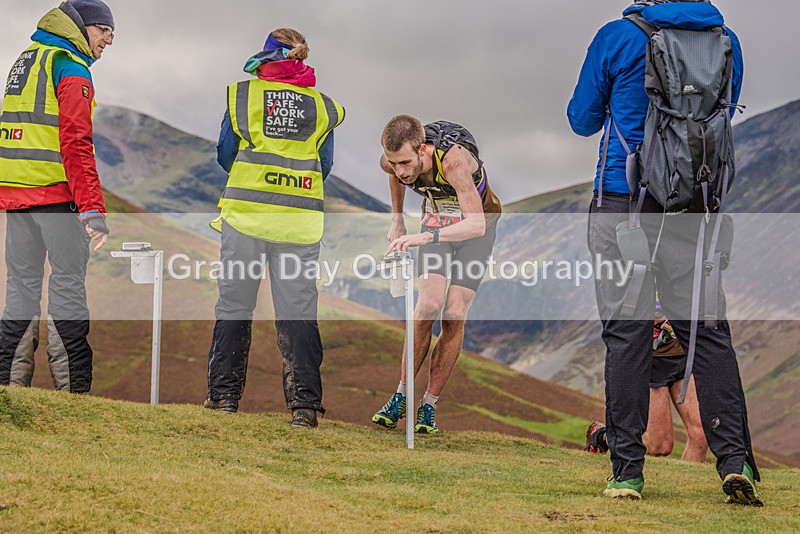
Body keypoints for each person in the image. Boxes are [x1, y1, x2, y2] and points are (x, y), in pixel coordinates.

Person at [568, 0, 761, 505]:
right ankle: (735, 461)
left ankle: (628, 472)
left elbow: (581, 119)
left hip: (623, 202)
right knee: (708, 329)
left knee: (627, 335)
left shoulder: (618, 36)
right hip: (694, 202)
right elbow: (722, 110)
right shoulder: (726, 41)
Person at [204, 28, 344, 428]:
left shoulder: (244, 96)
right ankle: (304, 408)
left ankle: (224, 398)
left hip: (246, 218)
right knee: (298, 311)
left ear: (265, 59)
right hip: (298, 223)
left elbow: (225, 153)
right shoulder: (322, 107)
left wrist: (257, 178)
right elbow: (325, 165)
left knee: (234, 306)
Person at [0, 0, 114, 393]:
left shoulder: (26, 59)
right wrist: (92, 207)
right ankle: (72, 394)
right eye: (104, 31)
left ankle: (10, 391)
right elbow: (76, 141)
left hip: (17, 197)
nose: (108, 41)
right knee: (67, 287)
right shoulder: (70, 65)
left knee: (20, 289)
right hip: (57, 196)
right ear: (81, 27)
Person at [371, 116, 502, 433]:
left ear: (423, 150)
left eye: (405, 162)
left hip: (477, 230)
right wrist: (398, 219)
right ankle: (401, 395)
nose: (401, 171)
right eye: (394, 162)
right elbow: (392, 173)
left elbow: (476, 225)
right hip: (437, 223)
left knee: (454, 313)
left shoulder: (452, 160)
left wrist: (422, 238)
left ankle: (428, 405)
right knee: (427, 305)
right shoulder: (393, 162)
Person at [585, 310, 709, 463]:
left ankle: (683, 486)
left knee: (702, 435)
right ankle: (603, 437)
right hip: (649, 360)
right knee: (660, 446)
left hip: (684, 355)